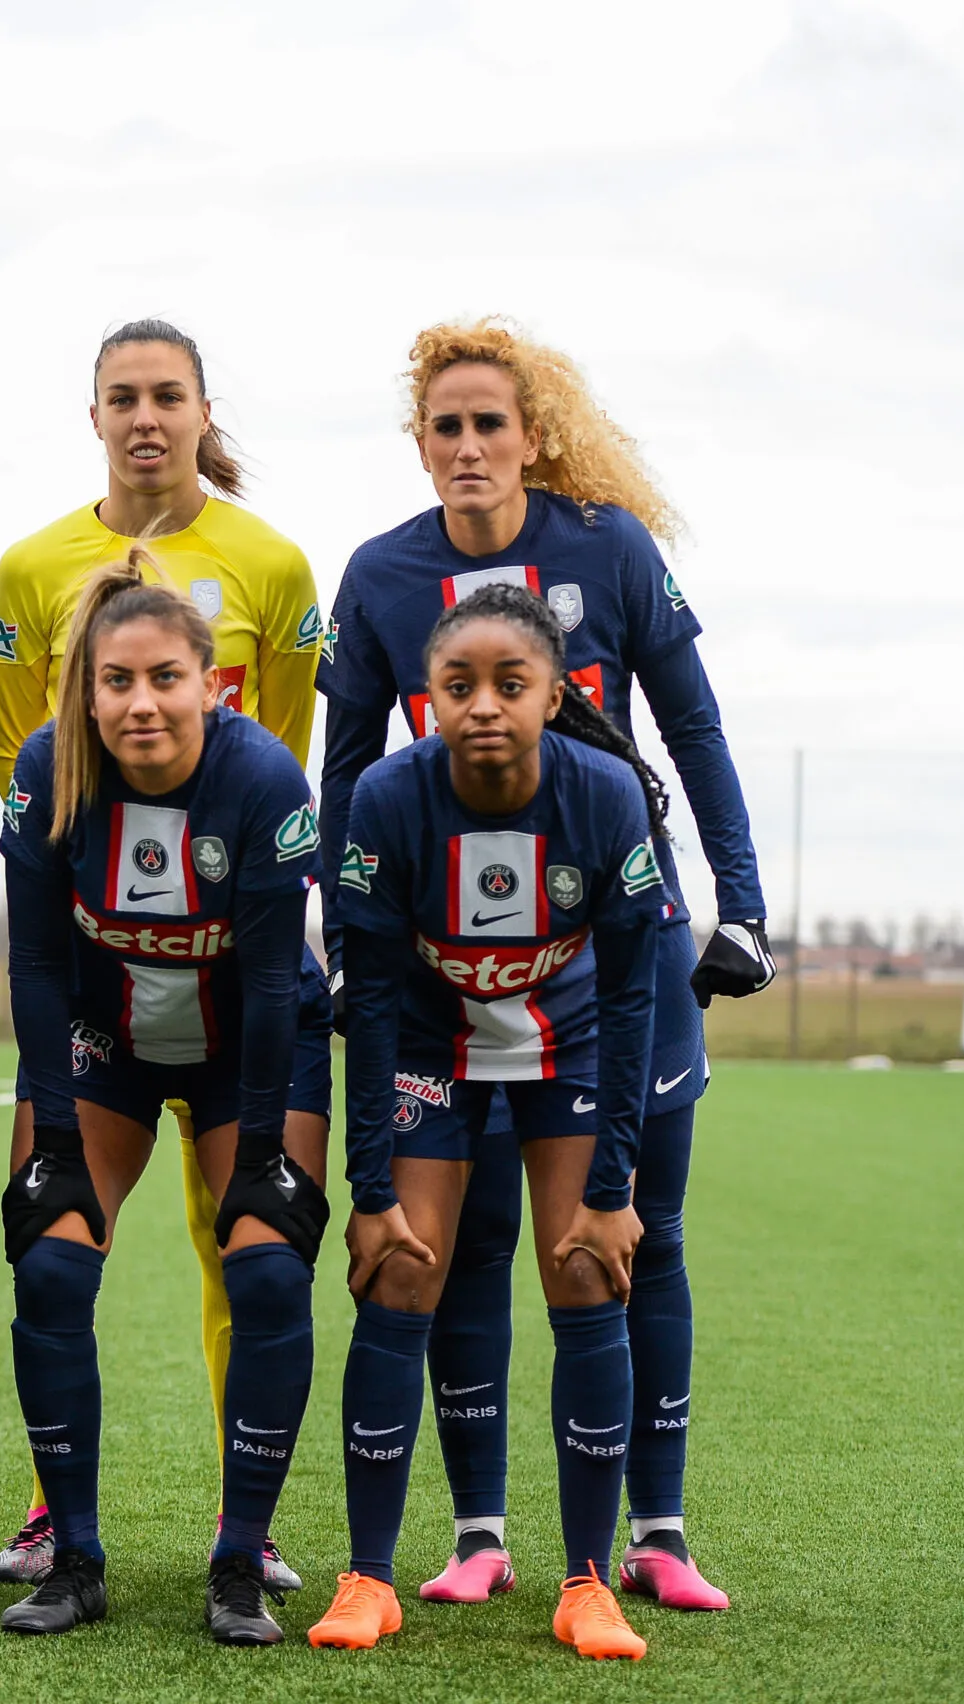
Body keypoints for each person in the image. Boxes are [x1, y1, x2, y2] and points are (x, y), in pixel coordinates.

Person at [317, 319, 771, 1612]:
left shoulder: (607, 549)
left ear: (533, 436)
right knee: (464, 1242)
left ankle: (658, 1533)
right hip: (444, 958)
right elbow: (345, 770)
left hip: (603, 932)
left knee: (640, 1233)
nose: (468, 447)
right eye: (445, 428)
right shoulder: (380, 577)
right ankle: (476, 1536)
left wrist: (739, 905)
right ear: (420, 444)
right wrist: (346, 936)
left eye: (489, 425)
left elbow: (693, 729)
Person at [0, 318, 329, 1591]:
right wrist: (56, 1127)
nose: (139, 701)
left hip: (246, 1016)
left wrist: (262, 1154)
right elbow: (28, 957)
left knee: (263, 1262)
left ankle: (246, 1550)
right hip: (106, 1017)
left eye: (167, 679)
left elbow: (282, 965)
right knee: (52, 1254)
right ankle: (64, 1542)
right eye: (113, 680)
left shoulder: (261, 735)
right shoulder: (46, 740)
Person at [307, 581, 663, 1661]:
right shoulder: (384, 797)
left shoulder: (603, 795)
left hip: (567, 1046)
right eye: (458, 685)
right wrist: (368, 1194)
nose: (484, 706)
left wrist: (612, 1191)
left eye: (512, 684)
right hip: (430, 1047)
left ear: (553, 695)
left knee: (587, 1271)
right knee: (400, 1271)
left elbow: (636, 994)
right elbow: (365, 1002)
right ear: (427, 698)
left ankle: (587, 1581)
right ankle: (366, 1576)